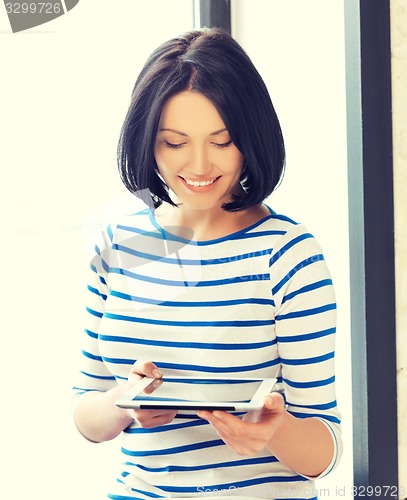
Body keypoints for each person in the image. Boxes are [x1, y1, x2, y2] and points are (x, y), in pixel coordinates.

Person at [72, 27, 342, 499]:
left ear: (251, 138)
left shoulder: (289, 255)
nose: (198, 166)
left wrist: (274, 433)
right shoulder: (120, 243)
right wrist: (125, 404)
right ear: (147, 141)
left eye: (222, 141)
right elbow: (86, 413)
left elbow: (325, 450)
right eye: (175, 142)